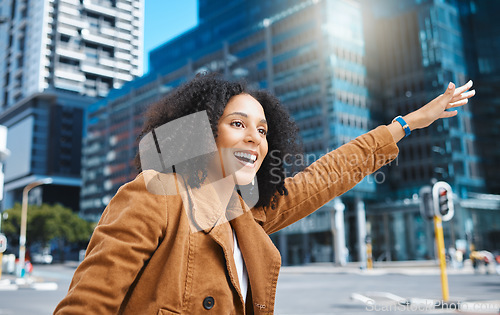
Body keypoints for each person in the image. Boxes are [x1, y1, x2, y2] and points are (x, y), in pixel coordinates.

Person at [54, 73, 474, 314]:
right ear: (201, 131)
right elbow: (86, 307)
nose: (254, 139)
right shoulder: (156, 194)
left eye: (262, 130)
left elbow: (327, 175)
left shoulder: (248, 214)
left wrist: (405, 124)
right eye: (237, 124)